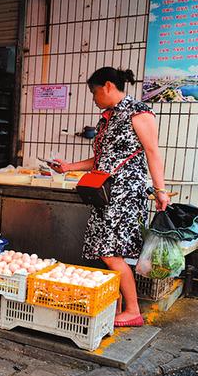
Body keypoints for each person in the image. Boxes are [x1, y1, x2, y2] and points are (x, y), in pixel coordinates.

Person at [53, 67, 170, 327]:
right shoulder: (107, 118)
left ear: (107, 86)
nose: (93, 98)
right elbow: (102, 159)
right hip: (105, 194)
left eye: (94, 92)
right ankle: (117, 303)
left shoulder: (138, 113)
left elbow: (153, 153)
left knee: (109, 252)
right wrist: (68, 167)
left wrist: (161, 191)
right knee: (105, 250)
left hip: (125, 194)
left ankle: (133, 310)